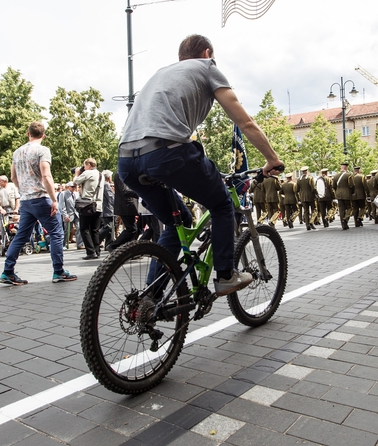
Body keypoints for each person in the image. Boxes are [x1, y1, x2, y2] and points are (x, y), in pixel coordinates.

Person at [117, 34, 283, 296]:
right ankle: (226, 276)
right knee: (221, 204)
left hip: (126, 161)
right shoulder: (207, 68)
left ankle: (151, 297)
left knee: (176, 222)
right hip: (168, 153)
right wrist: (272, 159)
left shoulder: (163, 72)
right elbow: (245, 122)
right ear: (207, 53)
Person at [0, 122, 76, 285]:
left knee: (21, 236)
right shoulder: (42, 150)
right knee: (56, 233)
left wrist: (23, 191)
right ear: (43, 135)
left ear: (28, 134)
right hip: (41, 198)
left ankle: (7, 272)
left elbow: (13, 177)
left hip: (26, 200)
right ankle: (59, 271)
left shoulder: (17, 152)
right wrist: (54, 199)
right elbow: (46, 176)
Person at [73, 158, 104, 260]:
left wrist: (77, 173)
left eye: (85, 165)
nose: (84, 168)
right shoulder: (101, 175)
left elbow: (76, 181)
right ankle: (97, 251)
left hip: (87, 204)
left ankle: (90, 252)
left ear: (89, 165)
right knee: (95, 229)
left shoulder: (88, 173)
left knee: (84, 228)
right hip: (98, 204)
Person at [106, 172, 139, 251]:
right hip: (125, 206)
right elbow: (125, 191)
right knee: (132, 229)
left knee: (133, 229)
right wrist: (139, 193)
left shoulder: (126, 174)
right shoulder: (122, 174)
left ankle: (131, 249)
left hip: (129, 206)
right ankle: (113, 245)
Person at [333, 162, 354, 230]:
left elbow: (334, 186)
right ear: (346, 167)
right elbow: (351, 185)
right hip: (347, 194)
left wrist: (338, 191)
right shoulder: (349, 175)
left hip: (339, 194)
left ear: (341, 168)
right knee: (349, 208)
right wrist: (352, 192)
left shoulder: (336, 176)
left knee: (341, 210)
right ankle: (345, 219)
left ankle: (343, 225)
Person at [98, 170, 115, 250]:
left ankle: (108, 244)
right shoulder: (106, 185)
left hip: (104, 209)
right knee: (109, 227)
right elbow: (110, 197)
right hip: (108, 209)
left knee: (109, 228)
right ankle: (98, 241)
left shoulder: (101, 184)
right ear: (108, 177)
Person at [296, 166, 317, 230]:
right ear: (307, 171)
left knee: (306, 212)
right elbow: (313, 188)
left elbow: (297, 189)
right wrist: (317, 194)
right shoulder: (310, 178)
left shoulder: (299, 179)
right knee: (314, 210)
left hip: (303, 197)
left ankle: (307, 225)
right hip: (310, 196)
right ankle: (311, 222)